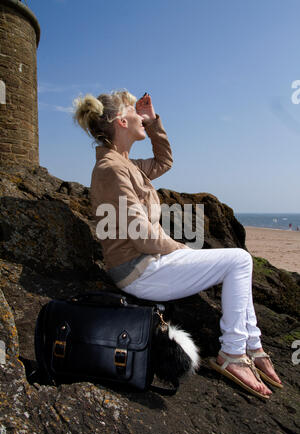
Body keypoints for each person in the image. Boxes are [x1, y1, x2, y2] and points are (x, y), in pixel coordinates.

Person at [73, 89, 282, 399]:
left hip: (146, 263)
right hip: (139, 269)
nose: (139, 116)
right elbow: (141, 235)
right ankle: (234, 355)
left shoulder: (125, 163)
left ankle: (253, 346)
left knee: (240, 262)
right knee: (238, 260)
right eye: (134, 111)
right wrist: (180, 248)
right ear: (120, 121)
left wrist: (153, 120)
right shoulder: (111, 169)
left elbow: (164, 160)